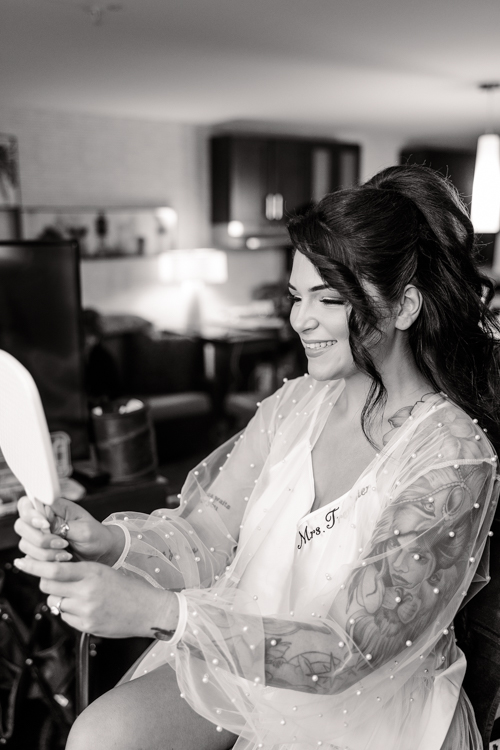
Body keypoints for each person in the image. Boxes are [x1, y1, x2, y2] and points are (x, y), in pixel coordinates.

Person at [13, 164, 500, 750]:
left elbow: (350, 650)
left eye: (329, 299)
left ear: (404, 305)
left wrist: (162, 613)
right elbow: (207, 534)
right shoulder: (294, 405)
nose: (300, 320)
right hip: (245, 649)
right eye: (296, 296)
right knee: (100, 737)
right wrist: (109, 542)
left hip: (368, 703)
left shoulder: (451, 458)